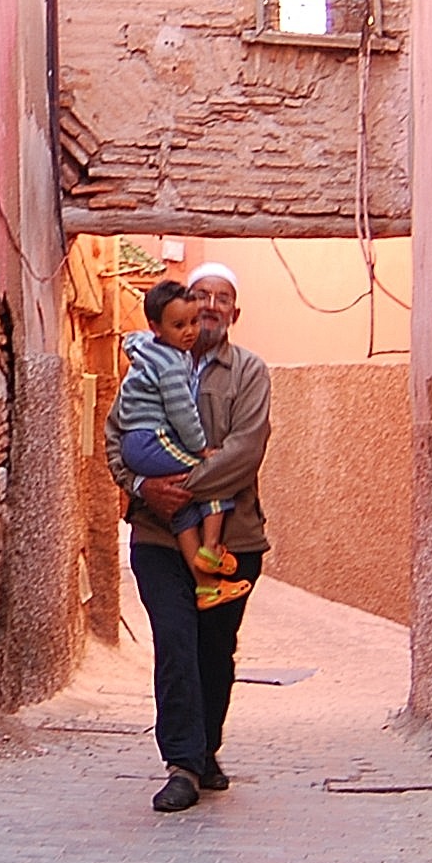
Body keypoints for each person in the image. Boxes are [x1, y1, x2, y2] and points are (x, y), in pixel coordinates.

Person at [103, 261, 271, 814]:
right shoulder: (148, 366)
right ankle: (181, 762)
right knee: (176, 642)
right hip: (157, 534)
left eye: (222, 298)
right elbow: (117, 434)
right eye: (201, 295)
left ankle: (206, 747)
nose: (210, 306)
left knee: (214, 648)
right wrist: (143, 485)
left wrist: (180, 485)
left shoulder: (248, 373)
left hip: (232, 538)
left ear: (234, 313)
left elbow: (245, 449)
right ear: (183, 307)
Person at [112, 280, 253, 609]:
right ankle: (211, 549)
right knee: (214, 474)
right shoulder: (172, 364)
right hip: (151, 442)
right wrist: (202, 449)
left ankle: (206, 586)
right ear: (156, 327)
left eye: (192, 322)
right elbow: (182, 413)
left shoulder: (151, 355)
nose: (190, 330)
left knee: (183, 509)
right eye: (180, 325)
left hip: (143, 444)